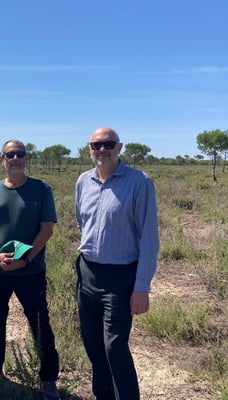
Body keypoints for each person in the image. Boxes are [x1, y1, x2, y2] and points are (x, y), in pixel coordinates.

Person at [74, 127, 159, 400]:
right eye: (96, 145)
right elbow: (82, 223)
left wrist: (142, 287)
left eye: (108, 144)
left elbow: (148, 237)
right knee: (93, 345)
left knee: (115, 347)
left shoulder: (139, 182)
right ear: (89, 148)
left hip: (120, 278)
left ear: (119, 147)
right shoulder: (83, 181)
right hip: (87, 273)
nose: (102, 150)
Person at [0, 140, 60, 400]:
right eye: (10, 155)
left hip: (30, 272)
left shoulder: (41, 189)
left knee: (39, 323)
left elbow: (46, 229)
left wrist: (26, 260)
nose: (15, 158)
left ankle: (48, 378)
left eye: (20, 154)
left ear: (26, 158)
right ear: (2, 160)